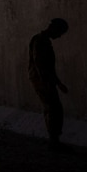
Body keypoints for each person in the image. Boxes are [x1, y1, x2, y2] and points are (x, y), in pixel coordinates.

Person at [27, 18, 70, 146]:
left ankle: (54, 139)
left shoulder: (41, 40)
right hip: (42, 80)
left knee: (53, 108)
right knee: (53, 108)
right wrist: (49, 82)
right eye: (60, 32)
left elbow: (46, 66)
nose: (60, 36)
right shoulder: (41, 41)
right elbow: (41, 64)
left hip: (43, 80)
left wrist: (57, 83)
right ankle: (54, 140)